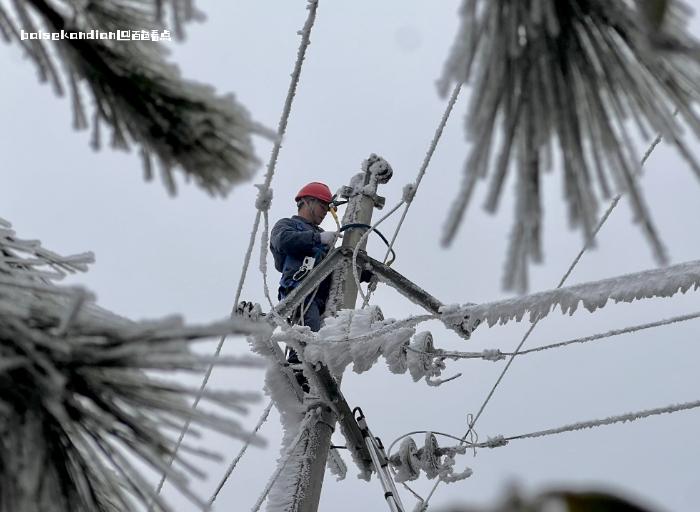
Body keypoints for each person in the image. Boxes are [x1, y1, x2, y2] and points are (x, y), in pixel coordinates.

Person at [270, 181, 338, 332]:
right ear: (307, 201)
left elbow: (338, 264)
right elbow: (282, 241)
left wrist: (366, 272)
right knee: (308, 339)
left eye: (327, 209)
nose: (325, 212)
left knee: (330, 340)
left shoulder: (321, 233)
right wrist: (317, 239)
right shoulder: (288, 224)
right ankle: (298, 356)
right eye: (322, 206)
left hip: (324, 299)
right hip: (300, 293)